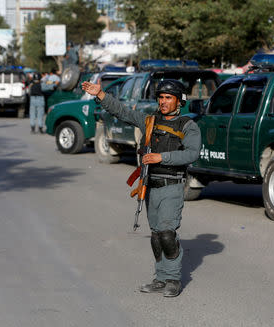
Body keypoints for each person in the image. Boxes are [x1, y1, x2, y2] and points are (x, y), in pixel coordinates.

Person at [82, 79, 201, 297]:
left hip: (172, 186)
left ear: (179, 101)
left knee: (167, 233)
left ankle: (173, 278)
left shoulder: (188, 126)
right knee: (156, 236)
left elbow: (192, 153)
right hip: (149, 186)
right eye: (161, 97)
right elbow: (123, 112)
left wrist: (161, 157)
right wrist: (100, 95)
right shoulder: (149, 121)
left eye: (168, 98)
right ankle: (161, 277)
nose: (163, 102)